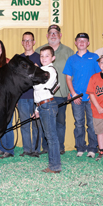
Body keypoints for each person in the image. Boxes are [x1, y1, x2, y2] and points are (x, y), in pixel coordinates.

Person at [35, 25, 74, 155]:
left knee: (60, 122)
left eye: (55, 33)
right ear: (47, 36)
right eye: (50, 33)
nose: (53, 35)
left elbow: (71, 73)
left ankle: (60, 147)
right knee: (45, 122)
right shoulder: (38, 50)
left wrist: (70, 90)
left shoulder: (68, 51)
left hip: (61, 92)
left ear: (60, 35)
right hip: (44, 96)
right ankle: (46, 147)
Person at [63, 33, 101, 158]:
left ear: (88, 43)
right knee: (78, 123)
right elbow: (68, 78)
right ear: (75, 42)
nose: (81, 42)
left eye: (84, 40)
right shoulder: (71, 59)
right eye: (79, 40)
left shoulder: (95, 57)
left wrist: (94, 93)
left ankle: (92, 148)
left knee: (91, 123)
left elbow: (98, 77)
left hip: (91, 97)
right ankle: (80, 147)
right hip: (77, 97)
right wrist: (73, 94)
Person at [33, 46, 61, 173]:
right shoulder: (42, 70)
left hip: (48, 105)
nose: (44, 58)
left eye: (47, 56)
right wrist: (37, 109)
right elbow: (38, 92)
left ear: (53, 58)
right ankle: (54, 164)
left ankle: (55, 166)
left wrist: (34, 74)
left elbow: (38, 87)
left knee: (51, 137)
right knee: (49, 136)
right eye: (42, 56)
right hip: (43, 104)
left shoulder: (50, 70)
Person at [18, 31, 44, 157]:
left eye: (29, 40)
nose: (27, 43)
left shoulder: (40, 58)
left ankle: (36, 150)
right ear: (22, 43)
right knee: (24, 124)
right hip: (22, 97)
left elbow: (45, 78)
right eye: (25, 40)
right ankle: (26, 150)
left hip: (36, 97)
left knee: (36, 124)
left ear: (34, 42)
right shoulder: (19, 59)